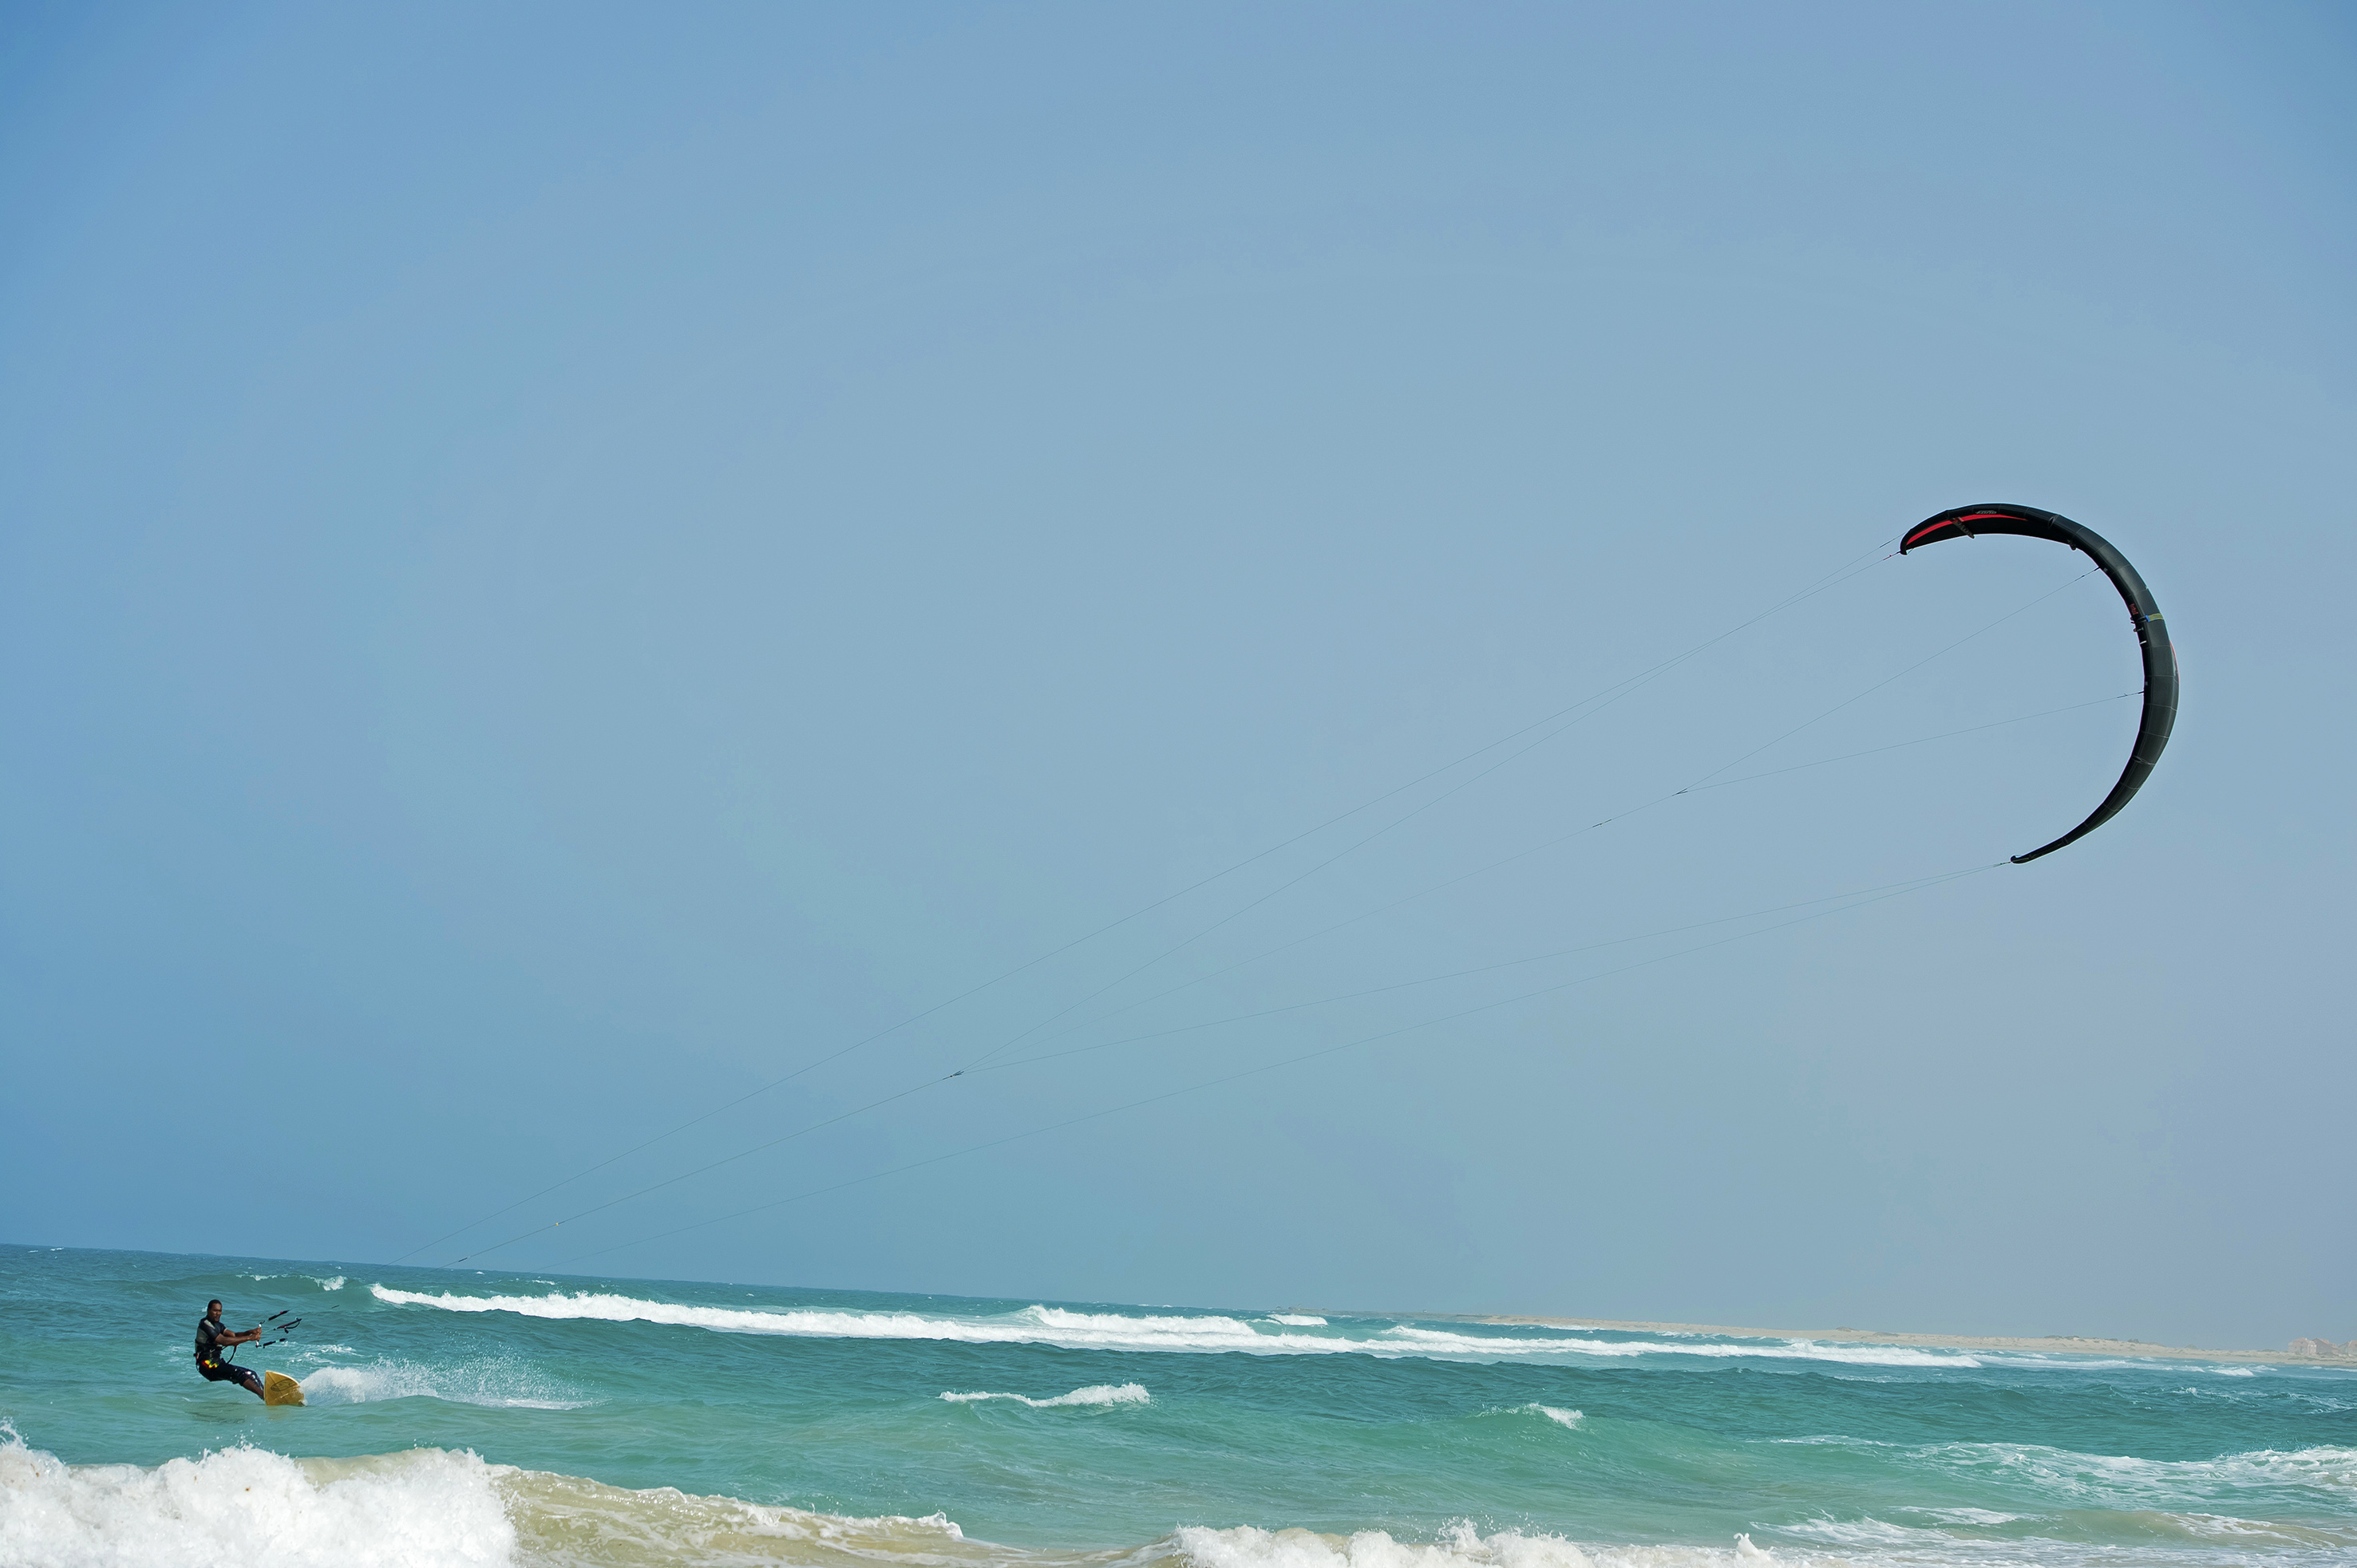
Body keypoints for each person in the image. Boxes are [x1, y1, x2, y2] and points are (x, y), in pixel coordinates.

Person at [195, 1299, 267, 1399]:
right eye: (215, 1311)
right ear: (208, 1310)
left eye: (219, 1311)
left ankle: (267, 1395)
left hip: (217, 1363)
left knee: (251, 1374)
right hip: (207, 1366)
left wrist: (250, 1332)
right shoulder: (205, 1325)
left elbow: (234, 1335)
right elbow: (223, 1341)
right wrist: (250, 1338)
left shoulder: (218, 1326)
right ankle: (264, 1396)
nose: (217, 1314)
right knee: (239, 1373)